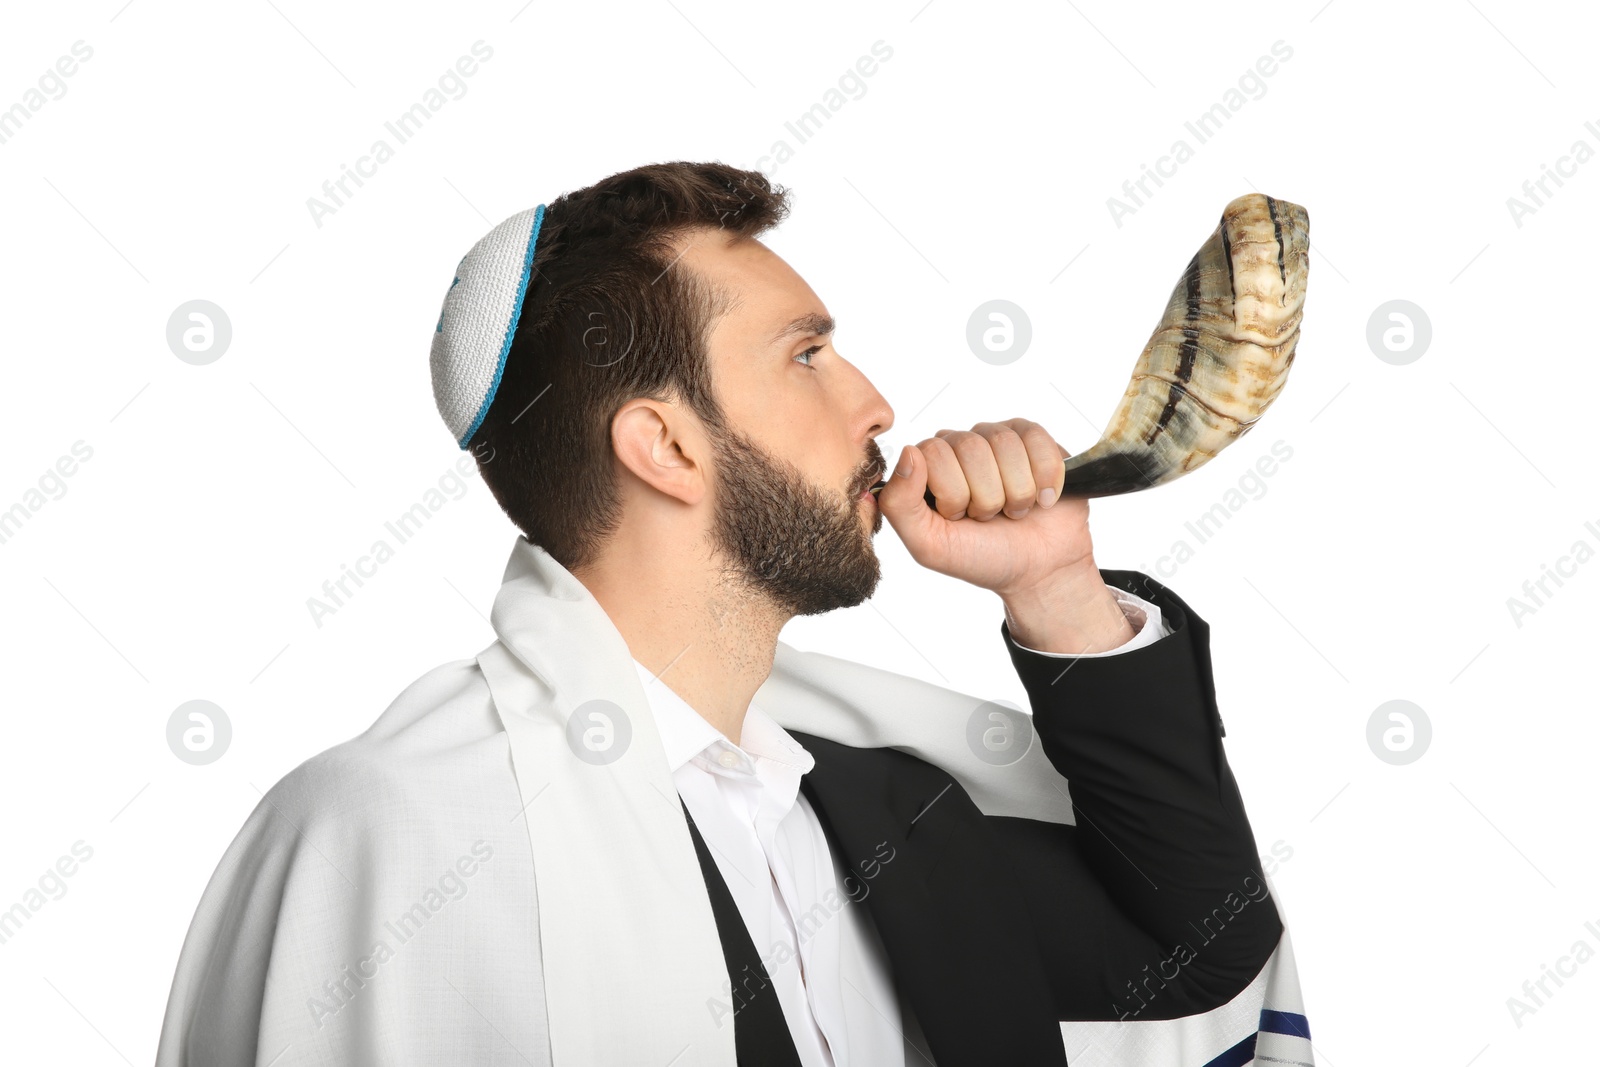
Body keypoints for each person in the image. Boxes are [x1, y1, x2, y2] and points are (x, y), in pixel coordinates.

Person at [156, 161, 1309, 1067]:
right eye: (806, 355)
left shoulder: (880, 813)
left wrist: (1054, 587)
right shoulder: (393, 833)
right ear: (663, 445)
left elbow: (1203, 952)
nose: (874, 402)